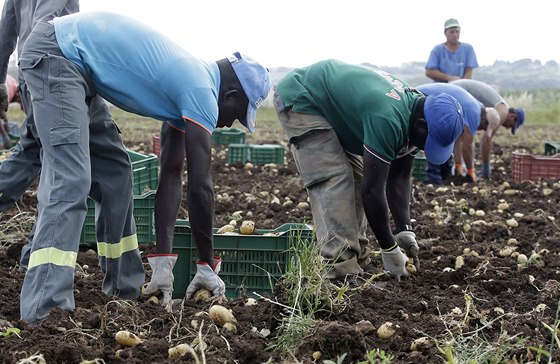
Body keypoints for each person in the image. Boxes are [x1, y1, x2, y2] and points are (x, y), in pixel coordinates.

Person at [18, 11, 269, 323]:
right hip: (56, 54)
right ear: (231, 94)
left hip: (79, 69)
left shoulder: (190, 86)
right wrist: (206, 263)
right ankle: (45, 310)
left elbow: (172, 174)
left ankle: (123, 290)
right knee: (71, 181)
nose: (230, 122)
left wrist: (163, 262)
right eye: (237, 114)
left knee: (115, 174)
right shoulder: (202, 91)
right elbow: (201, 187)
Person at [273, 60, 464, 281]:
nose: (423, 147)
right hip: (303, 97)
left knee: (359, 177)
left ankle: (358, 259)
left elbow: (399, 177)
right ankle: (339, 270)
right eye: (428, 142)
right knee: (335, 178)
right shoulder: (388, 117)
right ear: (421, 124)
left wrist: (404, 228)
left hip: (330, 105)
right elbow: (372, 191)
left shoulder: (417, 115)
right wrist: (389, 248)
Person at [417, 83, 500, 184]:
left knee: (446, 137)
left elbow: (458, 140)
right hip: (426, 97)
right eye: (483, 127)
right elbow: (467, 146)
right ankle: (433, 177)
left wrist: (458, 165)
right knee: (438, 134)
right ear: (484, 120)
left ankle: (443, 176)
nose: (481, 129)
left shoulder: (476, 107)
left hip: (432, 97)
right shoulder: (474, 112)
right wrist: (470, 171)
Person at [451, 79, 525, 178]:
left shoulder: (499, 107)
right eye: (511, 126)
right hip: (458, 90)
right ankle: (462, 169)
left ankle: (458, 168)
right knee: (465, 136)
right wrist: (486, 166)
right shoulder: (503, 112)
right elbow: (486, 140)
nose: (507, 128)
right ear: (513, 116)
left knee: (460, 133)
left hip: (455, 89)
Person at [425, 18, 479, 82]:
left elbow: (469, 71)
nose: (455, 35)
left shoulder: (468, 49)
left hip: (461, 87)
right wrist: (450, 78)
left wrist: (461, 83)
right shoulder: (437, 50)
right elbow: (429, 72)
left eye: (457, 31)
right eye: (451, 32)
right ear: (445, 33)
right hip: (441, 88)